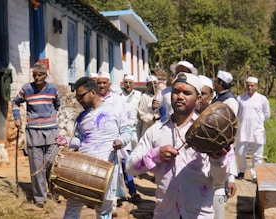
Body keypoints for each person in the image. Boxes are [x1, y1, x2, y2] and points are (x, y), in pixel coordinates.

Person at [126, 73, 231, 219]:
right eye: (176, 92)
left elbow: (219, 181)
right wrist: (155, 155)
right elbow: (130, 168)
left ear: (199, 99)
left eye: (186, 93)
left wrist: (217, 159)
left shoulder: (210, 131)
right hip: (165, 213)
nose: (180, 96)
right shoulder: (156, 131)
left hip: (199, 214)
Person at [56, 77, 132, 219]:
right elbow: (80, 141)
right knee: (73, 206)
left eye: (81, 96)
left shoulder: (115, 110)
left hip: (106, 169)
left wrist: (120, 141)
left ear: (92, 92)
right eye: (77, 97)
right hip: (82, 169)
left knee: (104, 211)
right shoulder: (81, 117)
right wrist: (66, 140)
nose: (79, 100)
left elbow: (127, 131)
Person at [11, 62, 60, 208]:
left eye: (40, 75)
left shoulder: (53, 89)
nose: (37, 77)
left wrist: (50, 118)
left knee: (51, 162)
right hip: (33, 132)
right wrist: (17, 118)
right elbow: (15, 102)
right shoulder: (26, 88)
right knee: (37, 165)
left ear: (46, 76)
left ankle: (54, 191)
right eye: (34, 75)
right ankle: (39, 197)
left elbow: (57, 104)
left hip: (51, 132)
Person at [198, 74, 237, 219]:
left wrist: (231, 177)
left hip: (216, 184)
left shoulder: (216, 120)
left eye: (203, 94)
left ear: (210, 96)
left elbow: (229, 148)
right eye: (198, 93)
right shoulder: (184, 120)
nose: (200, 98)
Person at [235, 76, 271, 183]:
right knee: (239, 152)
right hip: (244, 129)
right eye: (248, 85)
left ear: (256, 87)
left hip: (257, 130)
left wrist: (258, 122)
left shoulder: (262, 99)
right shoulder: (240, 99)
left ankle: (255, 175)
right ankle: (242, 170)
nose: (250, 87)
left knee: (257, 155)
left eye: (252, 85)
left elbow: (267, 114)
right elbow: (238, 113)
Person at [120, 74, 142, 202]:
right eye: (126, 82)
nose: (128, 85)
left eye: (130, 82)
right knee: (124, 162)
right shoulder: (118, 96)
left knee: (132, 159)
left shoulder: (139, 96)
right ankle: (131, 192)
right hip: (120, 134)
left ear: (134, 84)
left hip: (135, 132)